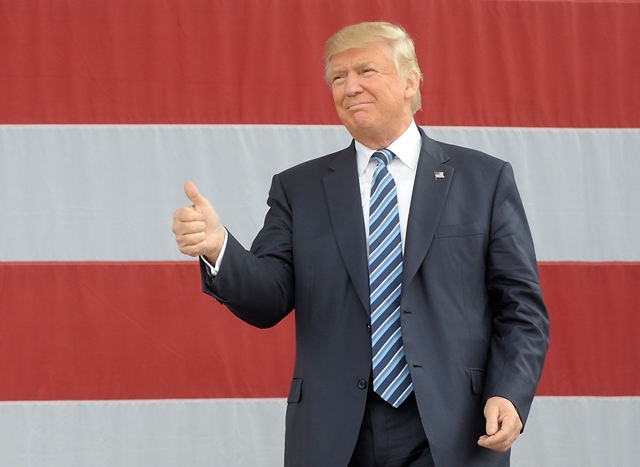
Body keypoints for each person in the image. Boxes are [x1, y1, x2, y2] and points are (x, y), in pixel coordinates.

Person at [172, 21, 549, 467]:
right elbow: (267, 298)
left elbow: (521, 308)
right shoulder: (300, 188)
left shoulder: (483, 179)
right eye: (338, 77)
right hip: (336, 433)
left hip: (454, 428)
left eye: (366, 71)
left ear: (411, 82)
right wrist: (219, 248)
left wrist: (508, 391)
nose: (350, 87)